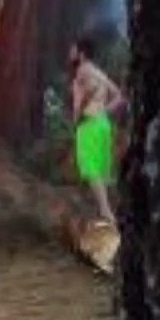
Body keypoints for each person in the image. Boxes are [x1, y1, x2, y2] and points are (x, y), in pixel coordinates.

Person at [68, 36, 124, 224]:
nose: (70, 53)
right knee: (99, 170)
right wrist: (103, 112)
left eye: (73, 49)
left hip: (89, 123)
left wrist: (78, 116)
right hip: (102, 123)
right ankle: (104, 210)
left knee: (91, 167)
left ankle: (106, 213)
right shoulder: (100, 73)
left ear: (82, 54)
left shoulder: (82, 71)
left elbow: (82, 96)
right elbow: (119, 96)